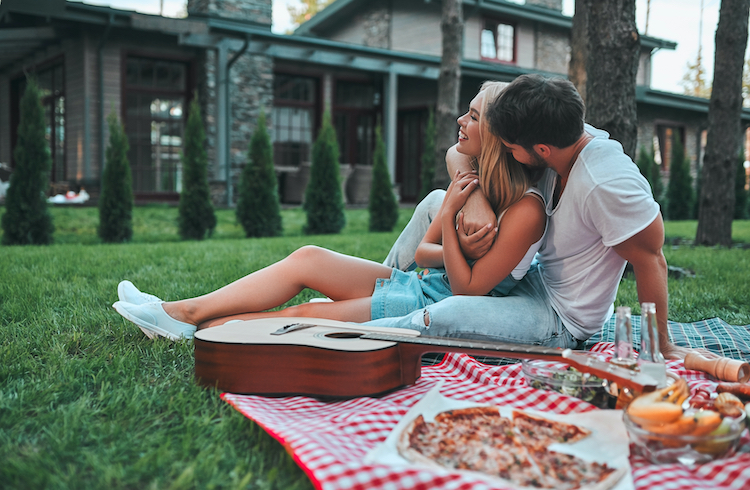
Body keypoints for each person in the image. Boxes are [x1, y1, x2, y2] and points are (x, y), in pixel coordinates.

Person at [113, 82, 550, 343]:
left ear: (495, 135)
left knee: (297, 318)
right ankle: (179, 311)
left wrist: (451, 229)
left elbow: (466, 290)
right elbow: (422, 254)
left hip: (433, 302)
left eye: (472, 116)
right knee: (307, 257)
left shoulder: (525, 209)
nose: (460, 120)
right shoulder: (469, 179)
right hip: (417, 281)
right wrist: (456, 205)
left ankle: (190, 325)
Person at [376, 73, 700, 360]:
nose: (508, 153)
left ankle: (347, 334)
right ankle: (381, 288)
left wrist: (660, 345)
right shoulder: (552, 128)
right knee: (435, 201)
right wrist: (476, 200)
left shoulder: (606, 183)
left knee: (444, 316)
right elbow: (456, 152)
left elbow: (650, 258)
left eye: (511, 149)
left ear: (541, 150)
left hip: (559, 318)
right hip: (534, 276)